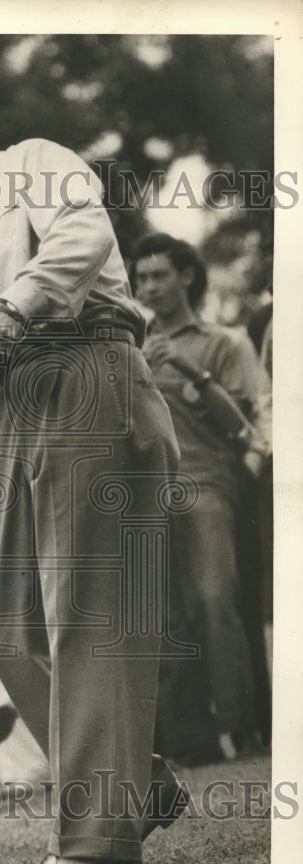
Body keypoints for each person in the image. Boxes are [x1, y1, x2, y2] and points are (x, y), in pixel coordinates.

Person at [0, 70, 183, 864]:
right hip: (16, 409)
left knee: (87, 617)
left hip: (91, 374)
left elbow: (80, 244)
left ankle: (90, 843)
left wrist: (4, 316)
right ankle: (135, 783)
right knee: (7, 631)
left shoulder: (35, 161)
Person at [131, 233, 269, 763]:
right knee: (164, 618)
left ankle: (244, 730)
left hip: (208, 484)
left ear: (187, 277)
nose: (148, 287)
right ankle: (190, 742)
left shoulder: (224, 341)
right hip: (146, 495)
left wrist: (188, 370)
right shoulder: (133, 346)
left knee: (216, 603)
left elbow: (243, 426)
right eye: (141, 278)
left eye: (159, 275)